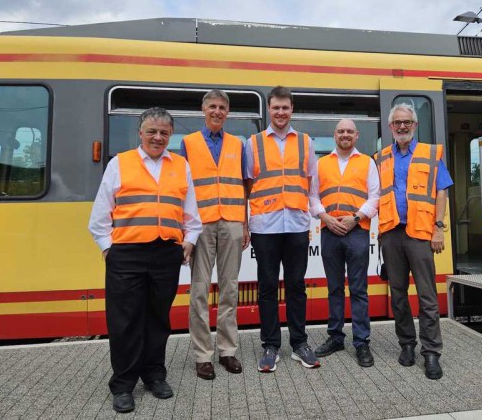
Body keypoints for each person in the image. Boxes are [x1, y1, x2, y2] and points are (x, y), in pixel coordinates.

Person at [88, 107, 202, 413]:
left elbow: (191, 213)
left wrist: (189, 241)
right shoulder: (120, 164)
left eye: (164, 132)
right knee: (124, 321)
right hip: (126, 254)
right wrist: (108, 248)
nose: (158, 137)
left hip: (166, 252)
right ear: (140, 133)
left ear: (170, 135)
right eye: (152, 131)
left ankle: (154, 376)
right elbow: (99, 216)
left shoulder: (180, 165)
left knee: (157, 318)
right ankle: (123, 385)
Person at [244, 86, 320, 372]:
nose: (280, 112)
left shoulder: (305, 142)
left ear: (292, 109)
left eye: (285, 107)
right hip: (265, 225)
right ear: (269, 109)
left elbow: (311, 183)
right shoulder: (252, 143)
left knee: (297, 285)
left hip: (297, 224)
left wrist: (315, 215)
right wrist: (246, 223)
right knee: (266, 287)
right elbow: (247, 186)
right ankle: (270, 345)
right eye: (275, 107)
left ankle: (299, 343)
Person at [375, 103, 453, 380]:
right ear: (390, 127)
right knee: (398, 295)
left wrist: (439, 228)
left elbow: (442, 191)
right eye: (397, 122)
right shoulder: (381, 157)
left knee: (427, 296)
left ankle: (431, 352)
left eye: (407, 121)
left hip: (420, 233)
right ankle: (407, 344)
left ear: (415, 125)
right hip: (392, 234)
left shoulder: (431, 154)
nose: (402, 126)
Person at [181, 90, 250, 380]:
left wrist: (245, 223)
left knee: (230, 288)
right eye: (212, 106)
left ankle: (227, 351)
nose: (217, 111)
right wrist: (186, 229)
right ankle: (201, 355)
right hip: (202, 224)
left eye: (222, 107)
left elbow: (245, 186)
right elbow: (182, 188)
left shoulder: (238, 144)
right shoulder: (188, 143)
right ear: (203, 109)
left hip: (232, 222)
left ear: (227, 112)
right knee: (199, 290)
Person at [310, 119, 379, 367]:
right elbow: (313, 197)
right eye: (341, 131)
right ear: (335, 135)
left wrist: (356, 218)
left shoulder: (367, 162)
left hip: (357, 231)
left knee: (359, 290)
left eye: (350, 131)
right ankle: (336, 338)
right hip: (329, 231)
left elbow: (375, 196)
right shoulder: (321, 164)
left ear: (357, 136)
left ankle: (361, 343)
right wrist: (326, 218)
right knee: (334, 288)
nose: (345, 135)